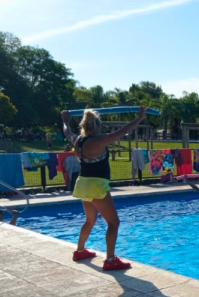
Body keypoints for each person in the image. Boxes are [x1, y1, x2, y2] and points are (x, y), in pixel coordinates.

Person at [61, 107, 148, 270]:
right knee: (113, 222)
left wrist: (65, 121)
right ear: (97, 125)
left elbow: (67, 132)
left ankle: (79, 251)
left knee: (90, 220)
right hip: (96, 185)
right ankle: (110, 260)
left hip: (83, 184)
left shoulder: (77, 140)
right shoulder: (98, 141)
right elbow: (124, 130)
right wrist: (140, 118)